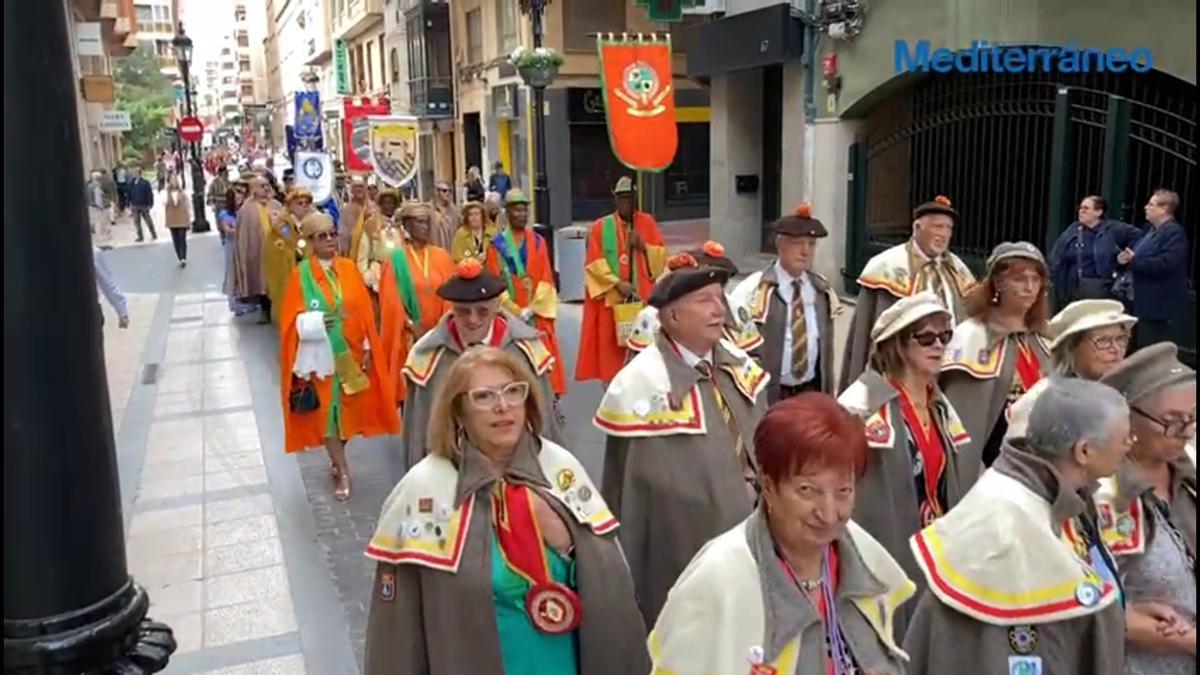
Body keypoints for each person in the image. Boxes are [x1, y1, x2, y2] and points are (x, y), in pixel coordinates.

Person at [364, 347, 649, 674]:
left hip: (565, 660)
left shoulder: (558, 468)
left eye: (514, 392)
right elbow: (399, 627)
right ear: (458, 413)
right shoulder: (425, 489)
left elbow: (610, 584)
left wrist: (569, 547)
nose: (503, 406)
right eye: (483, 397)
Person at [649, 393, 915, 673]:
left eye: (843, 491)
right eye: (807, 491)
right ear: (769, 486)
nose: (828, 512)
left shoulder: (863, 554)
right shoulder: (719, 577)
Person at [904, 377, 1131, 675]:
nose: (1130, 446)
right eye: (1124, 438)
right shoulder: (1006, 524)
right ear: (1084, 451)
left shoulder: (1057, 495)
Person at [595, 253, 768, 626]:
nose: (719, 309)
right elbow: (635, 501)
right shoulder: (639, 387)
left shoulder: (741, 368)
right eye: (704, 300)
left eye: (720, 298)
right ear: (672, 317)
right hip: (687, 555)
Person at [837, 292, 968, 637]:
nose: (938, 344)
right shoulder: (859, 405)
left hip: (934, 548)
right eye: (925, 337)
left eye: (945, 336)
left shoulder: (938, 403)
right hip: (886, 546)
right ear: (896, 344)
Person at [394, 261, 563, 475]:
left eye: (483, 311)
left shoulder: (527, 351)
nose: (473, 320)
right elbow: (417, 434)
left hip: (519, 473)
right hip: (453, 477)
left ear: (497, 305)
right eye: (463, 312)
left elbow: (546, 425)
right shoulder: (427, 358)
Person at [278, 211, 400, 501]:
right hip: (320, 362)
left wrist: (369, 349)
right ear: (308, 242)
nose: (331, 240)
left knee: (348, 415)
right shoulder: (301, 275)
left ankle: (337, 455)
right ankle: (343, 471)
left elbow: (365, 313)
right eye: (322, 236)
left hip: (354, 356)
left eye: (333, 233)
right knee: (327, 417)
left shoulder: (347, 268)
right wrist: (315, 322)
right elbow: (289, 321)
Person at [1097, 343, 1197, 672]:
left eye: (1193, 418)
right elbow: (1091, 603)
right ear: (1129, 419)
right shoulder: (1103, 495)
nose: (1185, 433)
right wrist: (1184, 639)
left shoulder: (1189, 469)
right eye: (1172, 421)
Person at [941, 241, 1053, 489]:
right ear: (999, 283)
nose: (1030, 288)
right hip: (1004, 457)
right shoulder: (971, 337)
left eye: (1036, 280)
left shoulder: (1044, 336)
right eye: (1020, 279)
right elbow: (965, 421)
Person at [840, 195, 974, 391]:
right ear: (917, 227)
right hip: (901, 372)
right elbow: (868, 332)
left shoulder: (957, 269)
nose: (944, 235)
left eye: (949, 229)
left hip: (948, 370)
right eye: (938, 227)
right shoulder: (887, 266)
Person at [730, 203, 839, 402]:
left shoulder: (820, 289)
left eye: (811, 244)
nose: (805, 251)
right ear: (780, 246)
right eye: (798, 243)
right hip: (773, 392)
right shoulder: (754, 290)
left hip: (811, 391)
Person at [575, 176, 667, 386]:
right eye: (621, 198)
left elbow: (662, 260)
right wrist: (618, 284)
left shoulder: (647, 222)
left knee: (643, 349)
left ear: (635, 198)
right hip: (613, 304)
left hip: (642, 301)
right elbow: (593, 264)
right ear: (615, 200)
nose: (625, 202)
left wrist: (644, 246)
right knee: (613, 355)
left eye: (629, 198)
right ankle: (613, 388)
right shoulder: (601, 227)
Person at [1006, 299, 1137, 440]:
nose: (1116, 349)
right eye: (1103, 341)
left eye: (1121, 339)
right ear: (1070, 349)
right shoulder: (1040, 401)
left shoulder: (1132, 393)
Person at [486, 190, 567, 397]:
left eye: (524, 210)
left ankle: (548, 401)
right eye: (517, 210)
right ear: (508, 212)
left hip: (535, 314)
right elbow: (494, 284)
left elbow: (546, 279)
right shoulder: (496, 246)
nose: (521, 214)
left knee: (544, 361)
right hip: (509, 316)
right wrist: (514, 311)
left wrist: (531, 309)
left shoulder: (538, 241)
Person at [624, 240, 762, 357]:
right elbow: (637, 368)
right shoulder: (652, 316)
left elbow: (751, 359)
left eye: (719, 284)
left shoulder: (736, 310)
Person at [1119, 189, 1189, 350]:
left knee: (1153, 351)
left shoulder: (1174, 233)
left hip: (1158, 308)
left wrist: (1135, 261)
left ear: (1164, 208)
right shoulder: (1150, 231)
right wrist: (1126, 258)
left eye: (1151, 204)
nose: (1146, 207)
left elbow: (1167, 263)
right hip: (1140, 304)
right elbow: (1137, 255)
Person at [1049, 195, 1143, 303]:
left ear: (1098, 212)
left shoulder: (1114, 229)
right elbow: (1057, 255)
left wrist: (1127, 255)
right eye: (1080, 208)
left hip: (1102, 288)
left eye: (1086, 208)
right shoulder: (1073, 229)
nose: (1081, 211)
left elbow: (1141, 238)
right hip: (1073, 288)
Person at [393, 201, 456, 339]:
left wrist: (443, 328)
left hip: (444, 332)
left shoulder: (442, 256)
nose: (426, 227)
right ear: (407, 226)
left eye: (427, 222)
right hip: (410, 335)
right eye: (420, 222)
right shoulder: (396, 259)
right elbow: (392, 302)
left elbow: (453, 296)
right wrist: (411, 325)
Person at [232, 176, 283, 324]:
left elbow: (286, 226)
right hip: (257, 253)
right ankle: (264, 310)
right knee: (261, 281)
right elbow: (243, 236)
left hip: (277, 251)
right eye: (262, 186)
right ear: (254, 189)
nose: (266, 188)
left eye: (267, 185)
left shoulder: (277, 205)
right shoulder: (246, 210)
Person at [265, 188, 312, 323]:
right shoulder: (281, 225)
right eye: (300, 203)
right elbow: (284, 246)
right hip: (289, 271)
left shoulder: (311, 221)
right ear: (290, 205)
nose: (304, 206)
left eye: (306, 203)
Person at [356, 191, 408, 298]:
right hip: (379, 274)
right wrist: (366, 275)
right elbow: (362, 256)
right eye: (386, 203)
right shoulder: (371, 224)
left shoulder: (403, 225)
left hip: (401, 273)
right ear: (380, 205)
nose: (389, 206)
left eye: (392, 203)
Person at [219, 183, 258, 316]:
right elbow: (228, 230)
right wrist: (242, 230)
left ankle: (246, 299)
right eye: (236, 198)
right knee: (231, 273)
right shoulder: (225, 214)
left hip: (245, 245)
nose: (239, 200)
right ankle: (234, 303)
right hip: (231, 246)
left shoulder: (245, 212)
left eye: (241, 198)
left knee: (244, 271)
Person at [338, 176, 376, 261]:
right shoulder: (346, 210)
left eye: (361, 186)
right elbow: (343, 233)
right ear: (351, 190)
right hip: (354, 248)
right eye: (356, 187)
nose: (359, 189)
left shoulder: (374, 207)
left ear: (366, 189)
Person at [93, 246, 130, 330]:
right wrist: (122, 311)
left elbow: (106, 282)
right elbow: (106, 282)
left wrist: (121, 311)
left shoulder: (92, 253)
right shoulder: (93, 252)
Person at [163, 175, 191, 267]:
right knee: (175, 239)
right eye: (171, 180)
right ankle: (179, 256)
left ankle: (183, 258)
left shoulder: (182, 193)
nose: (173, 182)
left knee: (182, 237)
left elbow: (187, 205)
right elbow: (163, 203)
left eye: (175, 180)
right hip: (172, 219)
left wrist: (189, 218)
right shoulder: (166, 193)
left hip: (182, 218)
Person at [127, 166, 158, 242]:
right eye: (133, 173)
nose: (133, 174)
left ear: (139, 173)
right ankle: (140, 236)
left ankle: (153, 234)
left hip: (144, 204)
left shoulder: (145, 183)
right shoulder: (131, 183)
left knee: (148, 220)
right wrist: (129, 203)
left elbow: (149, 194)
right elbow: (129, 194)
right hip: (134, 205)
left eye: (135, 173)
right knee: (136, 222)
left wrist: (150, 204)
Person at [86, 169, 114, 248]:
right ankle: (102, 240)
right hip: (97, 207)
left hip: (91, 206)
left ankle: (99, 239)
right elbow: (98, 198)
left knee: (96, 222)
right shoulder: (96, 186)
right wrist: (101, 207)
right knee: (100, 223)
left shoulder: (89, 186)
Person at [431, 179, 460, 250]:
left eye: (450, 191)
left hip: (451, 250)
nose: (447, 193)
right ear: (436, 192)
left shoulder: (454, 210)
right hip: (435, 249)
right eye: (444, 190)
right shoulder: (429, 209)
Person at [207, 165, 231, 243]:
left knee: (228, 219)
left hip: (228, 203)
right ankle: (222, 234)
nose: (226, 174)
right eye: (225, 172)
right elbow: (210, 193)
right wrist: (212, 204)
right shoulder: (215, 182)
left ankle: (228, 232)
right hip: (219, 203)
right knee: (220, 220)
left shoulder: (228, 181)